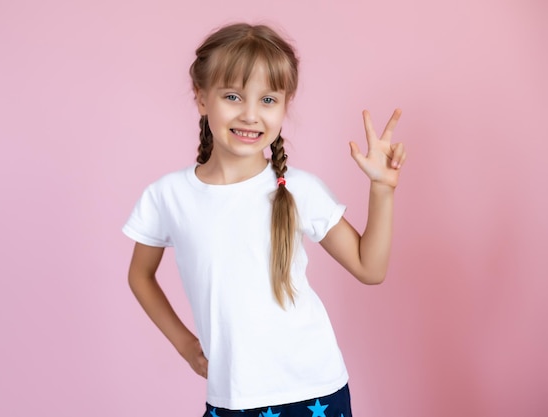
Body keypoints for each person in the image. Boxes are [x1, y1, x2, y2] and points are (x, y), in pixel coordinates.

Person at [123, 22, 406, 417]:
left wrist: (382, 189)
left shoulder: (300, 189)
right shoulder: (167, 196)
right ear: (201, 98)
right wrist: (186, 346)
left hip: (317, 390)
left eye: (268, 100)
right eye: (233, 96)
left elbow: (369, 268)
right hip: (233, 396)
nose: (251, 115)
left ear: (285, 104)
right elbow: (140, 274)